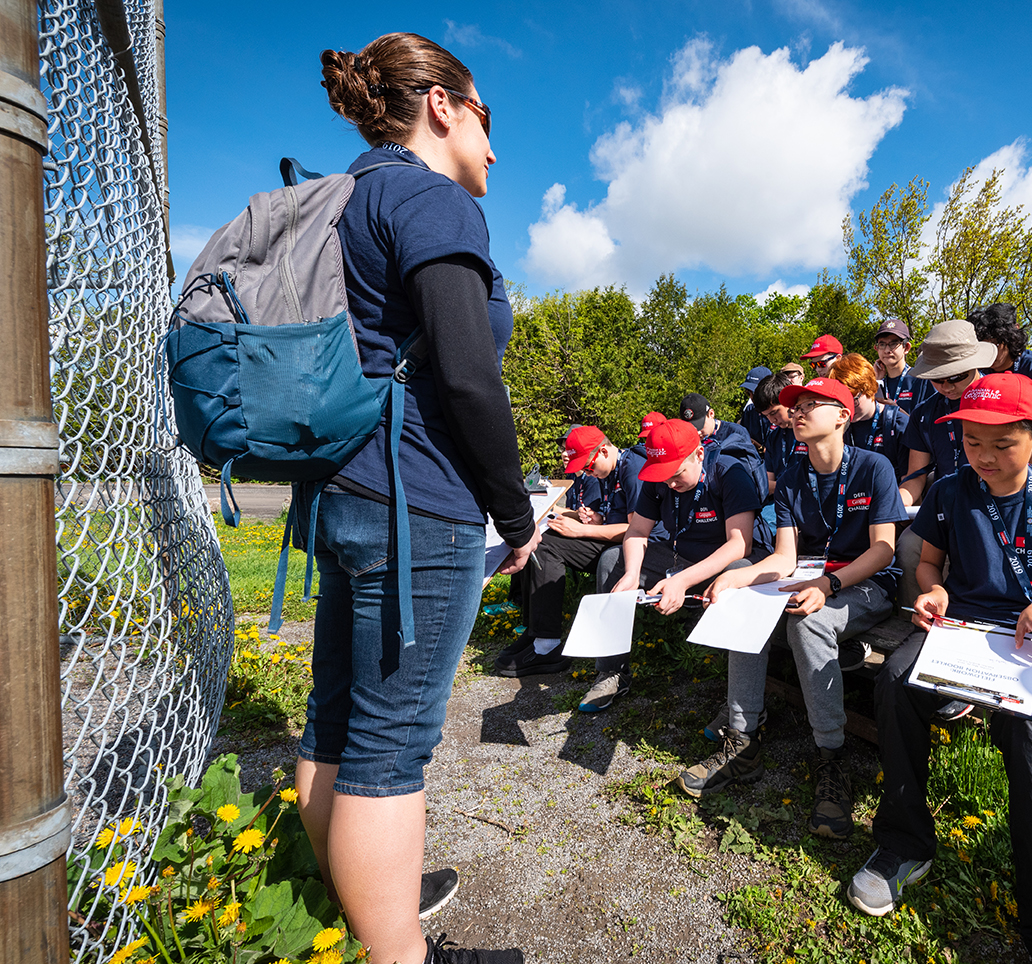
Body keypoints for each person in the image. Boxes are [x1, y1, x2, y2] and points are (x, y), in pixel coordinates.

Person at [299, 33, 541, 964]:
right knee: (391, 749)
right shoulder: (432, 199)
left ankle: (359, 912)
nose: (494, 144)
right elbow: (471, 380)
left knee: (335, 717)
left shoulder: (347, 191)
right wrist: (515, 517)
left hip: (344, 488)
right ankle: (401, 952)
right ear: (442, 104)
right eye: (488, 117)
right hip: (417, 502)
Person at [851, 372, 1032, 964]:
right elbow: (928, 566)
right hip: (963, 634)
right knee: (896, 681)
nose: (986, 457)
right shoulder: (950, 492)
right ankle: (903, 843)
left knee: (1029, 731)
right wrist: (933, 594)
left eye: (1003, 443)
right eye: (973, 442)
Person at [679, 378, 908, 840]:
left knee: (809, 623)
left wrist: (828, 583)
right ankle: (743, 744)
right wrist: (735, 578)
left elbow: (883, 550)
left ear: (843, 416)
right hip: (810, 576)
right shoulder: (791, 476)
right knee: (744, 604)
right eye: (795, 406)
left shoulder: (874, 467)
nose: (797, 412)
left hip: (865, 584)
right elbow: (784, 558)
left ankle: (832, 758)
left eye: (810, 404)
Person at [584, 419, 765, 711]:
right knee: (612, 560)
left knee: (736, 573)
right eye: (663, 475)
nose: (669, 483)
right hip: (680, 557)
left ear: (699, 455)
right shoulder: (658, 479)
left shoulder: (729, 472)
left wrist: (682, 581)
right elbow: (637, 532)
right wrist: (632, 573)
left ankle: (737, 705)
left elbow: (738, 544)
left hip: (727, 562)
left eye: (676, 473)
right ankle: (612, 671)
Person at [495, 425, 645, 676]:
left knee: (545, 543)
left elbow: (637, 530)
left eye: (588, 467)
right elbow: (612, 517)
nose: (588, 473)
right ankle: (534, 632)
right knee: (540, 537)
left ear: (604, 451)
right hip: (610, 538)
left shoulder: (631, 470)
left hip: (634, 549)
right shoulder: (607, 471)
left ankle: (546, 645)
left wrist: (582, 531)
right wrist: (594, 518)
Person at [893, 320, 998, 608]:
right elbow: (916, 475)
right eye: (938, 379)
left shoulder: (1000, 398)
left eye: (956, 377)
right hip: (945, 504)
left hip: (996, 502)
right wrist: (896, 504)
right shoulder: (924, 413)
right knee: (909, 546)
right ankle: (915, 619)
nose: (947, 386)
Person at [969, 303, 1032, 467]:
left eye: (995, 345)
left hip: (1031, 450)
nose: (990, 352)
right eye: (983, 347)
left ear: (1010, 338)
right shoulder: (976, 369)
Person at [829, 353, 910, 480]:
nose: (848, 408)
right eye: (841, 403)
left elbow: (910, 481)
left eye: (853, 400)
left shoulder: (898, 424)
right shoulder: (836, 426)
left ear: (869, 389)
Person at [755, 372, 809, 497]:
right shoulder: (774, 438)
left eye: (774, 413)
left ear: (788, 401)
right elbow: (767, 484)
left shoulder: (810, 432)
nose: (771, 420)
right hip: (779, 501)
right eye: (766, 416)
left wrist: (779, 485)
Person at [873, 318, 934, 414]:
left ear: (906, 348)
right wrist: (875, 381)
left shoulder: (922, 380)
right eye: (882, 344)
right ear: (876, 348)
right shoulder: (878, 384)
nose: (887, 350)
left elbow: (926, 426)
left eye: (893, 344)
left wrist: (895, 410)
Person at [737, 366, 774, 448]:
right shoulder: (749, 411)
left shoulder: (780, 412)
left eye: (754, 392)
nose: (751, 397)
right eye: (748, 392)